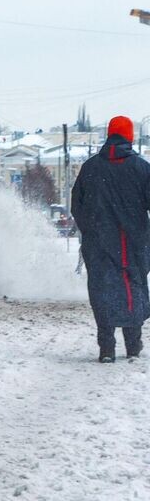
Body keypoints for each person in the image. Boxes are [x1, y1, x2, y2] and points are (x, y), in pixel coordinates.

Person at [71, 115, 150, 362]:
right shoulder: (141, 168)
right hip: (134, 242)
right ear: (129, 136)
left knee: (102, 288)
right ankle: (133, 345)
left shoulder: (91, 167)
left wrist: (91, 230)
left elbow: (77, 205)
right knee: (133, 286)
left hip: (99, 243)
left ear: (109, 135)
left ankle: (106, 348)